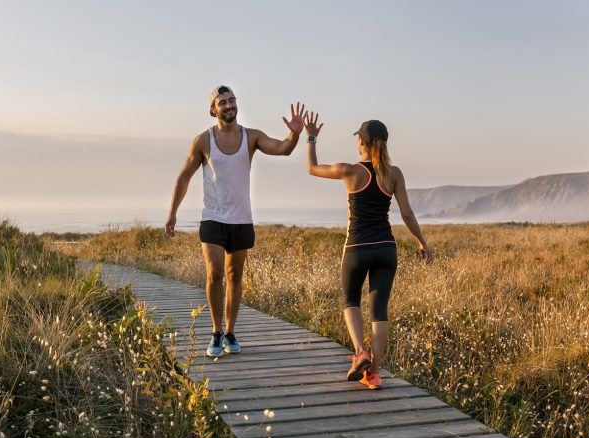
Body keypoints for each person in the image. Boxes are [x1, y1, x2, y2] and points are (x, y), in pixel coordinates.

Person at [165, 85, 306, 357]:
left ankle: (230, 331)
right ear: (213, 109)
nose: (229, 105)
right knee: (215, 274)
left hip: (241, 218)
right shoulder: (202, 141)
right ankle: (216, 333)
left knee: (234, 275)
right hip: (213, 217)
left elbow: (283, 149)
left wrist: (294, 134)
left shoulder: (251, 137)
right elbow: (184, 177)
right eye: (223, 102)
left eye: (232, 101)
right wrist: (172, 213)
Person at [303, 113, 433, 389]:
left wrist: (312, 137)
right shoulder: (394, 174)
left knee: (350, 301)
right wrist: (422, 241)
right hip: (386, 248)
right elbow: (407, 213)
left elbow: (312, 168)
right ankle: (373, 373)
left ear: (362, 142)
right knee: (379, 312)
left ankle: (360, 353)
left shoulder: (350, 171)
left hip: (357, 248)